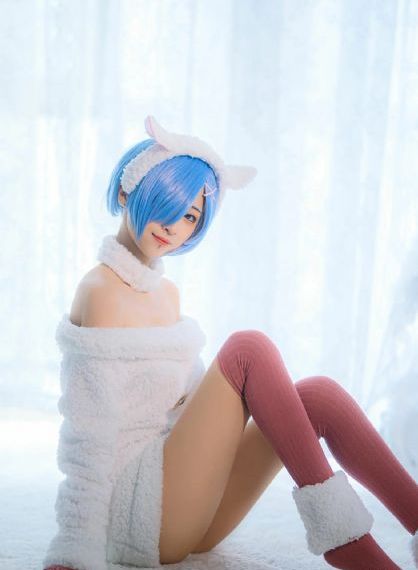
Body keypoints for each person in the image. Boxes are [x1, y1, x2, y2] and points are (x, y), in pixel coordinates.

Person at [43, 116, 418, 570]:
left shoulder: (166, 294)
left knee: (316, 397)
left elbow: (187, 404)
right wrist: (75, 546)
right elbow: (88, 435)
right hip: (139, 513)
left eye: (189, 216)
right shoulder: (100, 293)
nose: (173, 226)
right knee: (247, 349)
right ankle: (343, 537)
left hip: (190, 503)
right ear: (127, 193)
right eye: (165, 205)